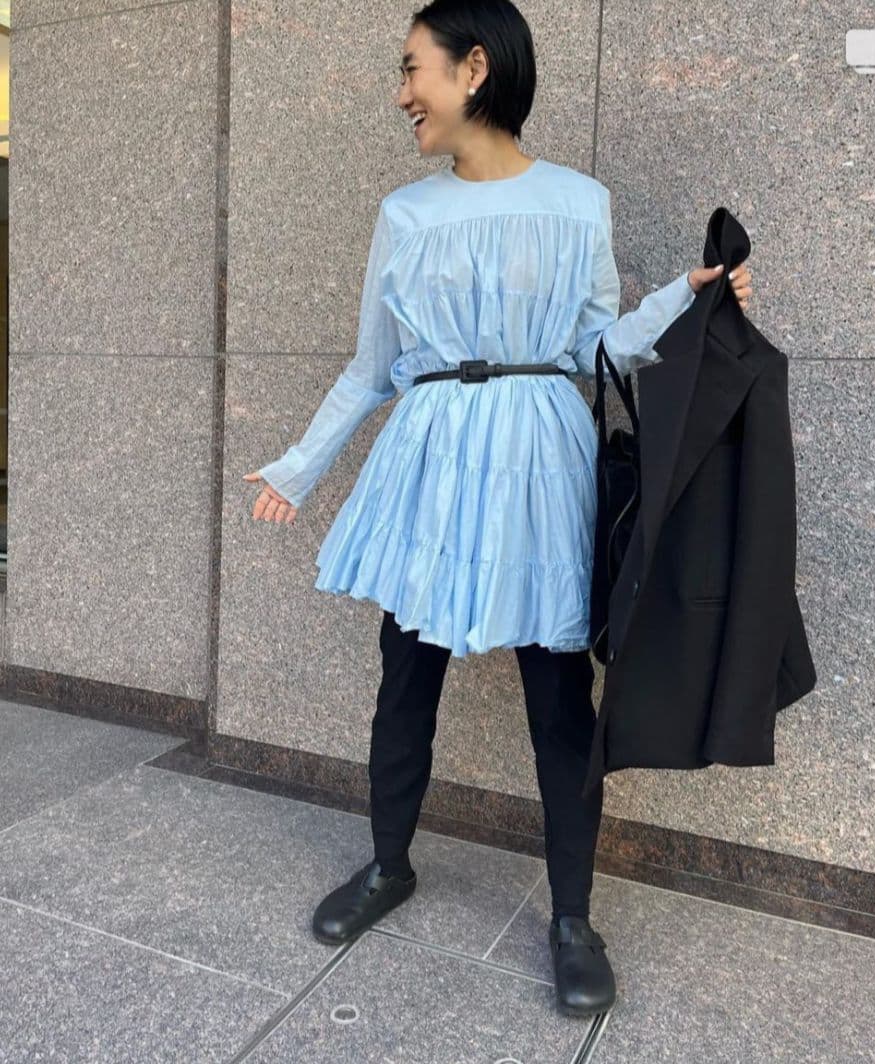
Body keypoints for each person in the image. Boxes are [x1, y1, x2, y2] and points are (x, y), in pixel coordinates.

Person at [243, 0, 752, 1019]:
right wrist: (296, 468)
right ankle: (389, 863)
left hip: (536, 458)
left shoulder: (578, 202)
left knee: (559, 697)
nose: (402, 93)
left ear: (475, 67)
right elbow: (373, 366)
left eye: (412, 68)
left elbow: (597, 347)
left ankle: (573, 918)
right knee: (405, 676)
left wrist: (686, 300)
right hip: (431, 458)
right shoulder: (406, 213)